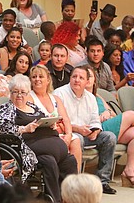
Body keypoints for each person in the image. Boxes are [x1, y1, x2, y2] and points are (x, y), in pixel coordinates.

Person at [0, 74, 77, 202]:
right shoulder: (6, 110)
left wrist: (51, 124)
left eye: (23, 92)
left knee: (70, 161)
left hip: (52, 145)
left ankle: (70, 199)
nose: (19, 95)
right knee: (48, 161)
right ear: (10, 93)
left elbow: (44, 118)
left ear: (28, 93)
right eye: (15, 92)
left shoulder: (33, 107)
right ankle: (55, 199)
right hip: (26, 148)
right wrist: (24, 129)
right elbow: (1, 128)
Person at [53, 66, 117, 194]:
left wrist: (96, 131)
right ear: (69, 78)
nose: (77, 80)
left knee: (109, 137)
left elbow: (95, 120)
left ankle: (102, 181)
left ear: (87, 82)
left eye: (81, 78)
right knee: (79, 139)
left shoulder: (91, 97)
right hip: (68, 133)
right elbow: (58, 120)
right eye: (74, 77)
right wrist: (77, 129)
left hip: (87, 132)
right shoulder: (59, 93)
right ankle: (76, 183)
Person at [85, 65, 134, 187]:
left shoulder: (97, 96)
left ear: (94, 79)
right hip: (99, 129)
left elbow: (111, 112)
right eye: (85, 77)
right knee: (130, 114)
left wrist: (107, 113)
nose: (87, 79)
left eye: (90, 76)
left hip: (110, 125)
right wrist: (99, 116)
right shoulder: (83, 97)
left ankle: (129, 170)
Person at [27, 65, 82, 172]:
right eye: (34, 77)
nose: (37, 79)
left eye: (40, 77)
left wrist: (68, 134)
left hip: (59, 133)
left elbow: (65, 119)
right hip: (43, 135)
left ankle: (76, 178)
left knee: (75, 140)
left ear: (48, 80)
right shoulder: (29, 97)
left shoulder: (55, 98)